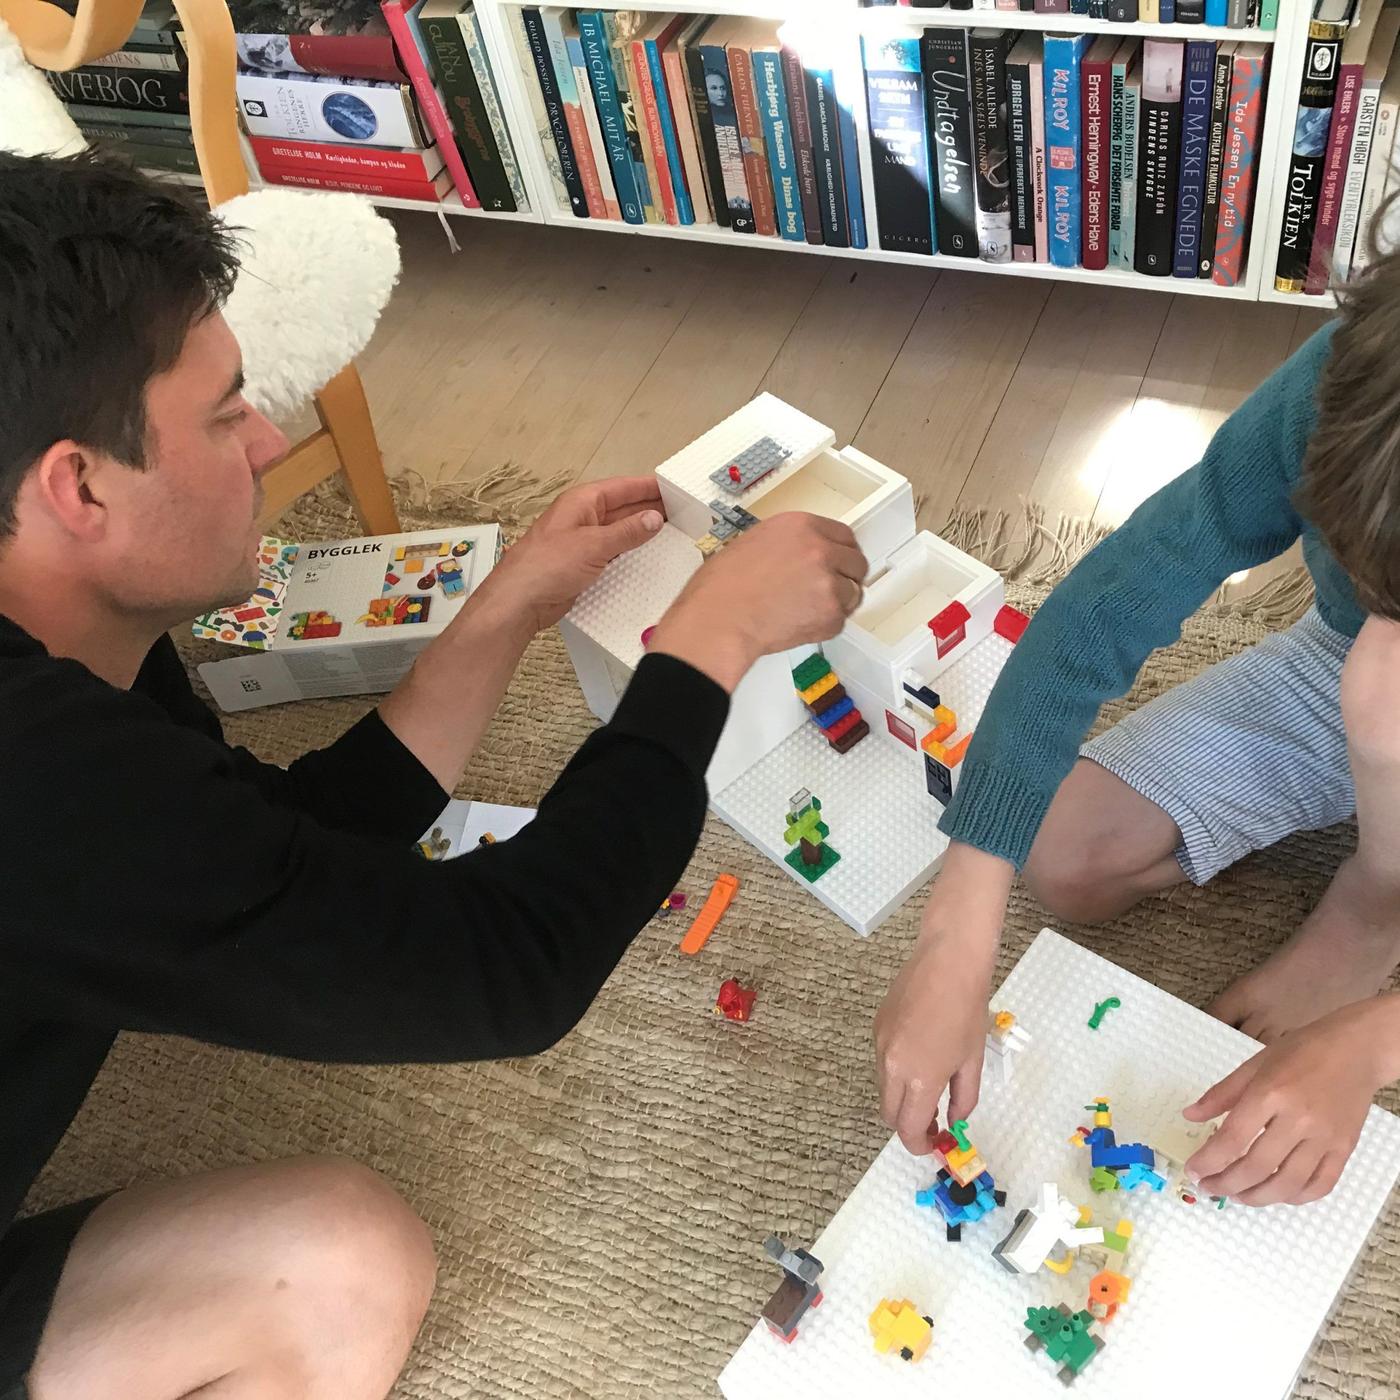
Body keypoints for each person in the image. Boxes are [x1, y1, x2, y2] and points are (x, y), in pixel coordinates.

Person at [0, 151, 868, 1399]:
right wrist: (704, 645)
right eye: (225, 411)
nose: (272, 439)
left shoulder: (85, 647)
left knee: (340, 1254)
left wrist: (503, 607)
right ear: (76, 485)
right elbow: (506, 967)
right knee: (343, 1266)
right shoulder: (38, 772)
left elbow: (272, 845)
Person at [877, 229, 1400, 1212]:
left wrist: (1371, 1040)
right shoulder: (1357, 377)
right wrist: (956, 920)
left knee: (1385, 679)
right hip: (1349, 668)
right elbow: (1107, 603)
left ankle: (1378, 901)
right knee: (1061, 852)